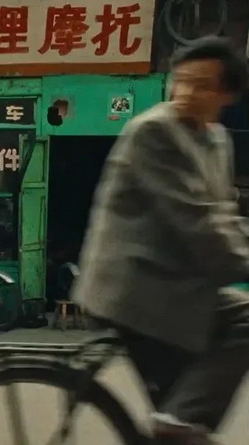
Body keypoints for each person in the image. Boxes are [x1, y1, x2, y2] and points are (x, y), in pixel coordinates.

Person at [71, 36, 249, 445]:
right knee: (183, 415)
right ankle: (180, 423)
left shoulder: (217, 140)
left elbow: (223, 216)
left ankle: (180, 423)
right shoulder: (153, 131)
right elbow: (197, 224)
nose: (185, 92)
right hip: (138, 289)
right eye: (180, 80)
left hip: (174, 284)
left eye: (201, 85)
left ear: (227, 95)